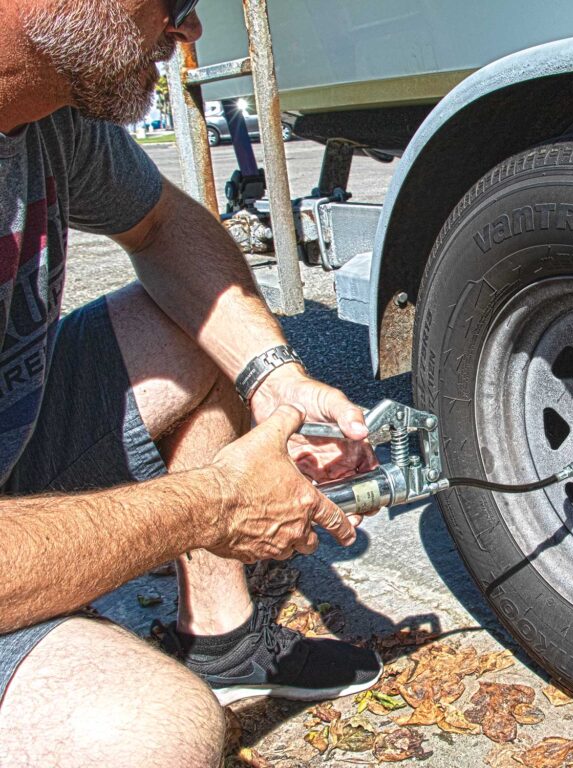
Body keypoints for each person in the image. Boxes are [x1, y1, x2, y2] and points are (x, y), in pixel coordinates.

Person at [0, 1, 384, 764]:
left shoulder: (43, 111)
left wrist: (272, 377)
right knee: (148, 735)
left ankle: (224, 638)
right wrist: (210, 504)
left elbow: (163, 228)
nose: (191, 28)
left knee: (199, 319)